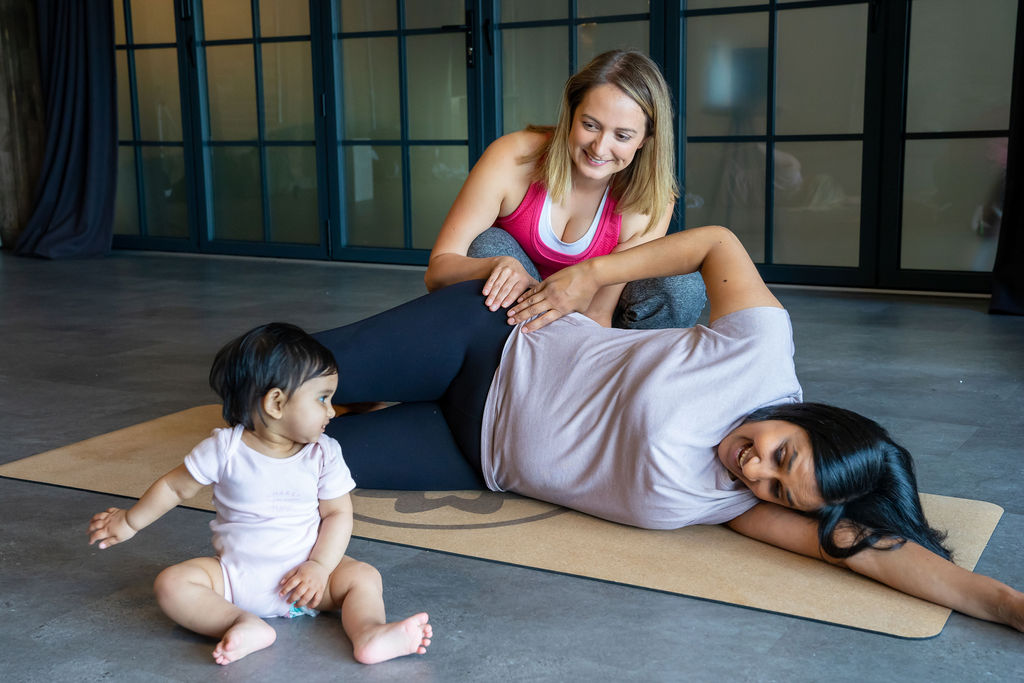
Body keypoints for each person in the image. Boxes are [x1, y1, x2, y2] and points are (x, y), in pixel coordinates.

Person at [315, 225, 1024, 633]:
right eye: (781, 453)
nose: (755, 471)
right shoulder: (762, 351)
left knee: (290, 452)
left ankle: (374, 404)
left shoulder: (742, 503)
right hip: (494, 339)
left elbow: (868, 551)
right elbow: (717, 244)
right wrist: (585, 274)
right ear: (806, 416)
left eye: (777, 488)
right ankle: (371, 385)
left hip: (470, 455)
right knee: (262, 387)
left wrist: (1007, 604)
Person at [87, 323, 432, 666]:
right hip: (235, 583)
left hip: (308, 585)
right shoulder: (225, 449)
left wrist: (320, 566)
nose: (331, 410)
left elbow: (338, 514)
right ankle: (240, 622)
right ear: (276, 403)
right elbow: (174, 486)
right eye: (323, 398)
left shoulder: (323, 453)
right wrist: (130, 522)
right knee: (172, 583)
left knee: (363, 576)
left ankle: (369, 633)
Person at [425, 49, 706, 330]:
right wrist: (495, 265)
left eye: (622, 136)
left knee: (680, 284)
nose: (599, 148)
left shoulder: (650, 198)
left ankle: (632, 368)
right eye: (590, 125)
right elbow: (437, 271)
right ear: (572, 112)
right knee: (487, 245)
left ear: (646, 138)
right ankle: (509, 360)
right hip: (520, 309)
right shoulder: (512, 157)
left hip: (602, 321)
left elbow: (598, 314)